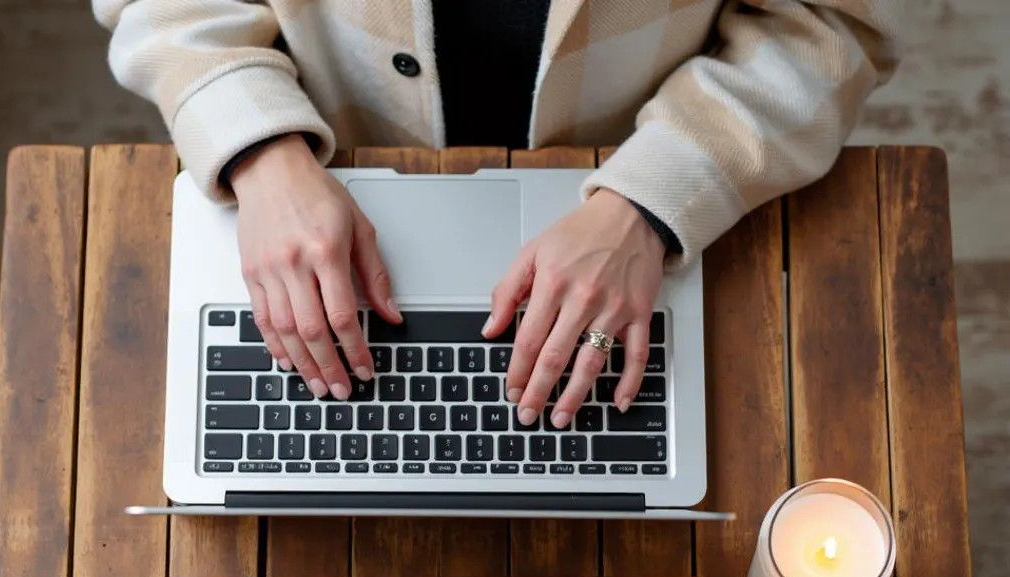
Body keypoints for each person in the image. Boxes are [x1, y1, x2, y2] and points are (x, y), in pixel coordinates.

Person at [93, 1, 900, 428]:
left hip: (626, 179)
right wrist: (261, 153)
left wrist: (653, 200)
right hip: (322, 159)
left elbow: (825, 27)